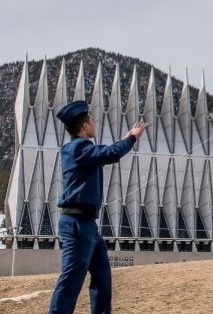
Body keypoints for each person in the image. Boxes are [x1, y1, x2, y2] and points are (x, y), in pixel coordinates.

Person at [48, 100, 147, 314]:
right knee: (71, 278)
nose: (94, 124)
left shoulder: (83, 151)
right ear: (84, 126)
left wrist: (124, 141)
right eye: (91, 121)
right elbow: (110, 154)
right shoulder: (78, 148)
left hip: (87, 225)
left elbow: (106, 152)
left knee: (102, 276)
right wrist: (132, 137)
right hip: (77, 224)